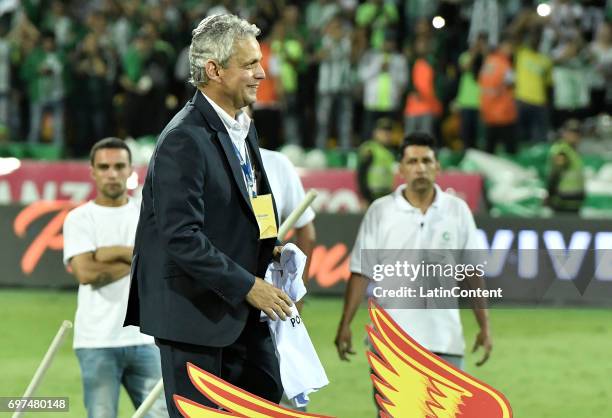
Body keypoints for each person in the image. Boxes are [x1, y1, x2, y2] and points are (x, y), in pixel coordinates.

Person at [123, 15, 293, 417]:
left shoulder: (242, 126)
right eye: (250, 64)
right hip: (195, 317)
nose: (261, 72)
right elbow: (181, 236)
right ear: (214, 70)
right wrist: (247, 285)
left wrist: (271, 247)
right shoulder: (183, 138)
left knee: (266, 397)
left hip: (240, 315)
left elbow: (258, 198)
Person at [335, 132, 493, 412]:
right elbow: (360, 272)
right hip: (392, 342)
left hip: (445, 339)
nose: (420, 167)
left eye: (426, 160)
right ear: (401, 169)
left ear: (438, 167)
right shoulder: (380, 211)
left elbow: (471, 271)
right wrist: (345, 324)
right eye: (412, 161)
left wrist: (484, 325)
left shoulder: (457, 211)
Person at [62, 138, 166, 418]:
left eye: (119, 166)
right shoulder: (79, 218)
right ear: (92, 171)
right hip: (97, 340)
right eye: (104, 167)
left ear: (131, 170)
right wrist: (137, 255)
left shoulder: (148, 215)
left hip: (147, 338)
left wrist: (109, 254)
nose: (112, 173)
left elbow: (162, 264)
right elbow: (85, 273)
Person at [260, 147, 316, 308]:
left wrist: (297, 293)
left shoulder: (276, 163)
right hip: (234, 284)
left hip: (265, 290)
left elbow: (306, 229)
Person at [547, 119, 585, 213]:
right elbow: (554, 174)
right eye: (571, 132)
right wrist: (551, 194)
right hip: (563, 200)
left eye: (577, 133)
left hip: (575, 200)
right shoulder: (562, 150)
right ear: (564, 133)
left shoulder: (573, 151)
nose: (574, 136)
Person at [356, 117, 396, 204]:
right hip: (371, 196)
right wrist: (366, 197)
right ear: (375, 133)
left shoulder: (389, 153)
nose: (386, 134)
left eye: (389, 131)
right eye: (383, 131)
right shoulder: (370, 149)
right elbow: (361, 175)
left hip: (386, 196)